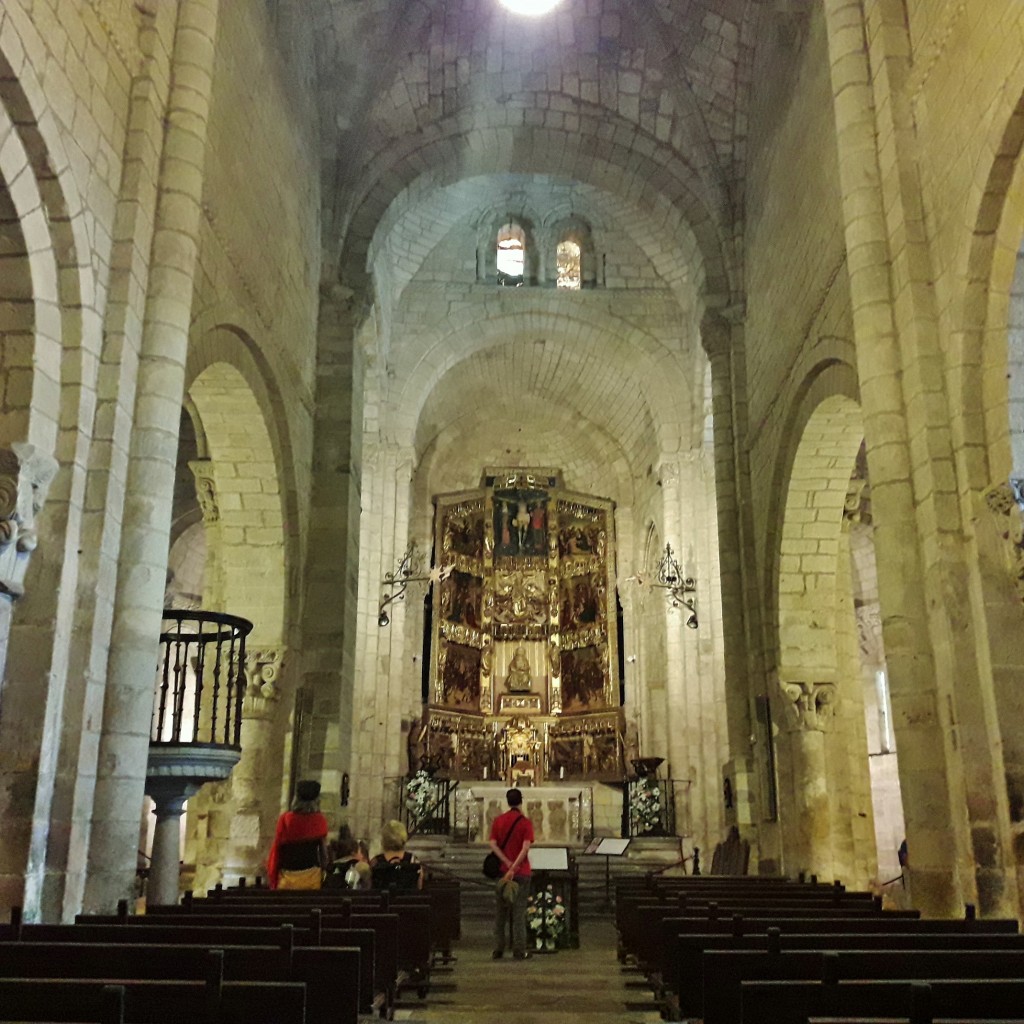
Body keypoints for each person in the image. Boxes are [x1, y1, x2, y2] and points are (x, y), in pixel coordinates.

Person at [489, 787, 534, 960]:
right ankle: (519, 950)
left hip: (502, 871)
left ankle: (498, 949)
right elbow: (525, 847)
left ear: (507, 801)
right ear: (520, 801)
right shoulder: (525, 822)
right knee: (518, 912)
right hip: (521, 872)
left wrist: (506, 863)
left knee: (500, 912)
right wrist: (514, 867)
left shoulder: (499, 820)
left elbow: (493, 844)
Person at [267, 779, 329, 889]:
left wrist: (274, 873)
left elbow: (278, 848)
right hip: (311, 876)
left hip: (287, 876)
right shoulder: (319, 820)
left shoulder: (285, 819)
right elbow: (323, 854)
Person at [370, 820, 424, 891]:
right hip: (408, 900)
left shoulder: (375, 861)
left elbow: (371, 887)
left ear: (384, 839)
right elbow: (419, 887)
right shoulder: (413, 860)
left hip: (383, 901)